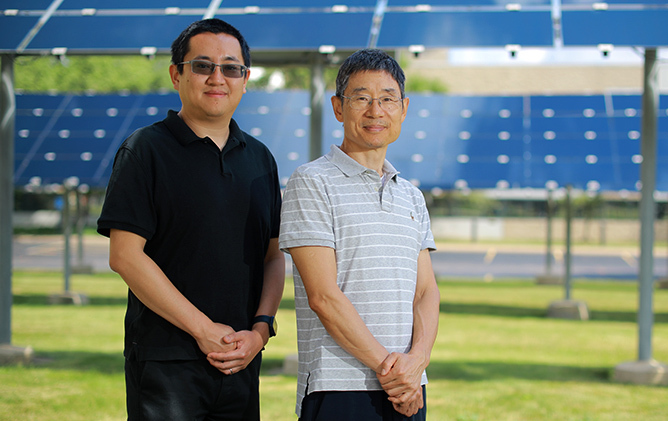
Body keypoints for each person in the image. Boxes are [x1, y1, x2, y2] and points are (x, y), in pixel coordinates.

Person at [97, 18, 285, 420]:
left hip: (240, 358)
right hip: (166, 363)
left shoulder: (260, 159)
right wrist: (202, 330)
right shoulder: (145, 150)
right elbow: (125, 256)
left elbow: (273, 256)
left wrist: (261, 331)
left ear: (245, 78)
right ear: (176, 74)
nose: (218, 77)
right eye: (202, 66)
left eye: (231, 68)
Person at [279, 48, 440, 420]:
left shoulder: (411, 195)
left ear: (403, 108)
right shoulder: (311, 182)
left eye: (387, 99)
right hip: (339, 388)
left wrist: (416, 362)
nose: (375, 111)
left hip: (409, 388)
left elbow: (426, 291)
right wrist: (393, 371)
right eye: (362, 98)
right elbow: (323, 296)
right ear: (338, 107)